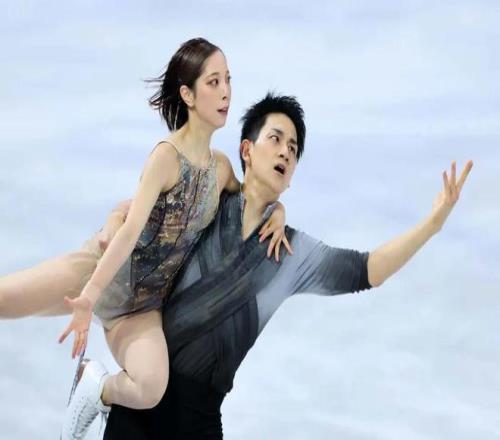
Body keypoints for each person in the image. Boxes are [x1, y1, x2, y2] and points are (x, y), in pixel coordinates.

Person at [96, 93, 473, 439]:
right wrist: (114, 220)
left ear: (291, 178)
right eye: (275, 140)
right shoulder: (209, 199)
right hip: (142, 405)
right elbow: (140, 210)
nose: (285, 154)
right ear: (247, 150)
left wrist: (432, 225)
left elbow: (369, 269)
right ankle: (97, 389)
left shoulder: (290, 253)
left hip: (200, 421)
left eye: (293, 149)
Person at [0, 39, 290, 440]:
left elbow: (250, 202)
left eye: (228, 80)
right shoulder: (165, 157)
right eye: (214, 82)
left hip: (142, 307)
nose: (226, 92)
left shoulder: (220, 169)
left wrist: (279, 210)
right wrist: (90, 295)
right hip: (100, 271)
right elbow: (129, 231)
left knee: (151, 387)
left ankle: (95, 387)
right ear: (188, 95)